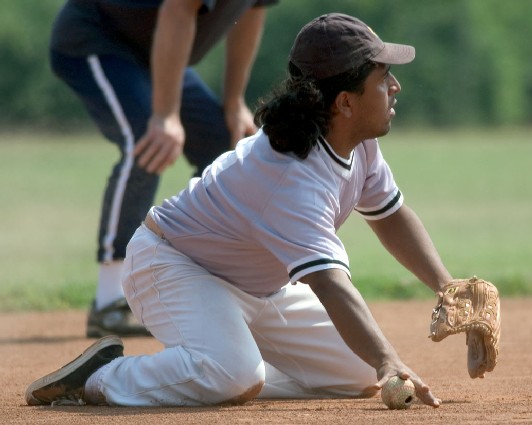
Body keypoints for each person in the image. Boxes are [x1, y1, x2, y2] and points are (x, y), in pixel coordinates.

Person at [26, 13, 452, 408]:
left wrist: (447, 287)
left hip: (259, 286)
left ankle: (223, 369)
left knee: (360, 373)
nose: (395, 86)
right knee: (236, 374)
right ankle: (102, 377)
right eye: (384, 76)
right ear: (344, 102)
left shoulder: (357, 142)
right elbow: (330, 283)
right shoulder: (290, 178)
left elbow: (390, 216)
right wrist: (388, 358)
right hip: (172, 265)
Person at [49, 0, 277, 338]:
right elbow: (177, 9)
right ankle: (110, 302)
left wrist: (233, 101)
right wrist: (166, 115)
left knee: (222, 145)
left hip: (155, 50)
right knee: (147, 140)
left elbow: (252, 11)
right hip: (96, 39)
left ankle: (202, 281)